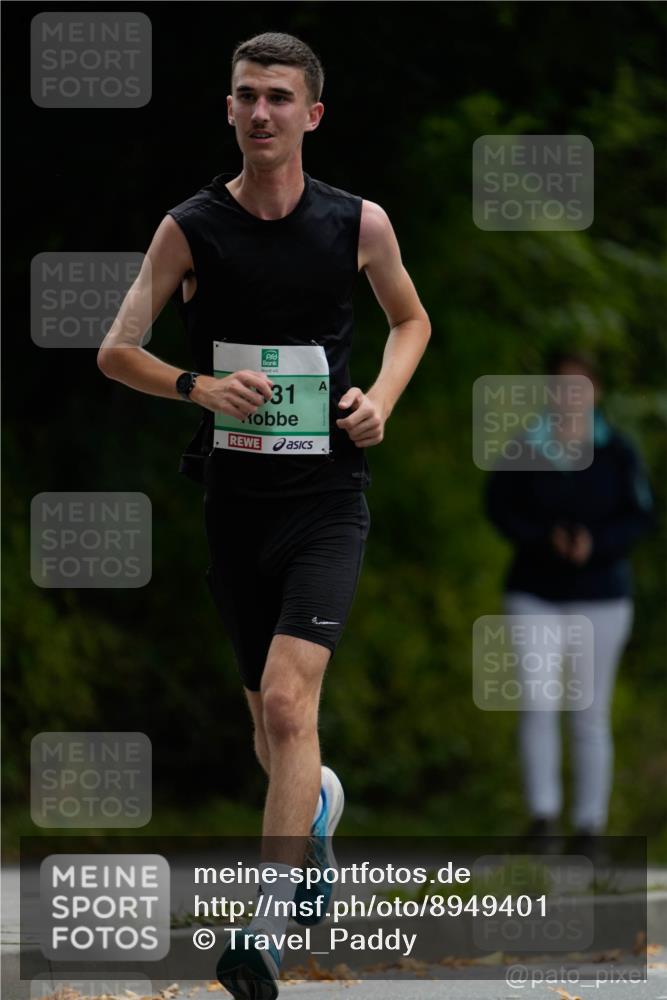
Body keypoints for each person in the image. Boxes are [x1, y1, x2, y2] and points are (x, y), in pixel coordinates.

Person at [97, 31, 430, 999]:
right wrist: (196, 385)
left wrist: (381, 399)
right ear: (229, 110)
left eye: (280, 98)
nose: (260, 113)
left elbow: (411, 319)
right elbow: (117, 350)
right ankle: (318, 806)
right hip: (235, 508)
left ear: (311, 115)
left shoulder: (356, 224)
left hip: (326, 502)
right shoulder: (190, 228)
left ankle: (263, 928)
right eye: (246, 96)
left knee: (291, 704)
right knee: (270, 733)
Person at [485, 351, 653, 852]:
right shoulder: (524, 448)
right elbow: (499, 508)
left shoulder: (619, 452)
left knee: (589, 710)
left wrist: (595, 545)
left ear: (596, 392)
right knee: (538, 702)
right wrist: (543, 539)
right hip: (535, 592)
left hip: (601, 596)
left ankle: (589, 825)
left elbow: (640, 514)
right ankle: (543, 817)